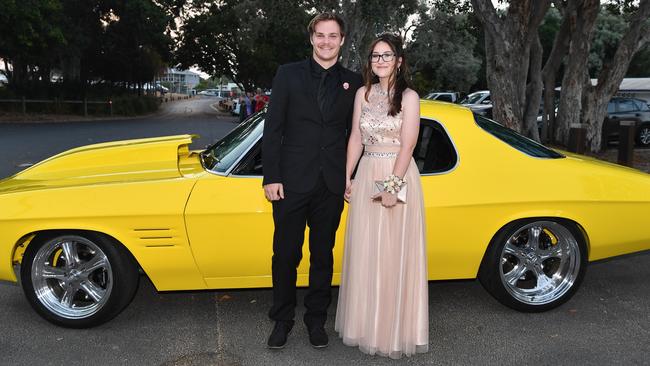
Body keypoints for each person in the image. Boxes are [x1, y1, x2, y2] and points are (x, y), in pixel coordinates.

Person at [262, 13, 363, 350]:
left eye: (332, 36)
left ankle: (316, 321)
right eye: (320, 35)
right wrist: (271, 176)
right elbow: (272, 128)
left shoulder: (354, 81)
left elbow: (357, 134)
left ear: (342, 40)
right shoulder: (288, 74)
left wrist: (353, 174)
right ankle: (282, 320)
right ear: (311, 39)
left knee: (323, 255)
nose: (326, 42)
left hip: (331, 183)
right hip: (290, 182)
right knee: (285, 254)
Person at [335, 33, 429, 359]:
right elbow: (355, 141)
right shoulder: (362, 93)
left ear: (399, 61)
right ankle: (365, 326)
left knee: (392, 251)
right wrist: (346, 176)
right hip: (366, 172)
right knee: (367, 251)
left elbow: (409, 145)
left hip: (396, 174)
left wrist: (391, 187)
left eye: (387, 55)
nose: (381, 61)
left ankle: (392, 333)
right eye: (376, 56)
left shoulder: (410, 97)